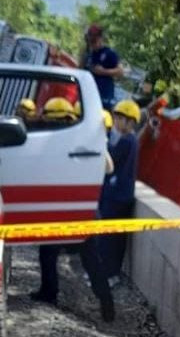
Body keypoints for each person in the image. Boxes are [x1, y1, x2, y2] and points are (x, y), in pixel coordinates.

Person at [29, 98, 116, 322]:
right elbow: (108, 168)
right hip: (82, 210)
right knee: (89, 260)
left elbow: (108, 167)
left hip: (70, 210)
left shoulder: (66, 141)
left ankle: (51, 294)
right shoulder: (81, 140)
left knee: (52, 252)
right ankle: (107, 306)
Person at [98, 99, 141, 282]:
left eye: (120, 118)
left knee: (111, 238)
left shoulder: (127, 142)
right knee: (111, 237)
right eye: (115, 117)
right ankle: (108, 272)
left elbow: (111, 160)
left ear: (131, 122)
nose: (116, 121)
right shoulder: (129, 140)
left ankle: (109, 273)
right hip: (119, 195)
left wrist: (104, 141)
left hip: (117, 196)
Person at [84, 24, 124, 110]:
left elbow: (120, 72)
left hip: (104, 98)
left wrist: (104, 71)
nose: (93, 42)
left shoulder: (109, 53)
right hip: (88, 97)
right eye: (91, 40)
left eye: (95, 40)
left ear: (101, 38)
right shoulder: (88, 55)